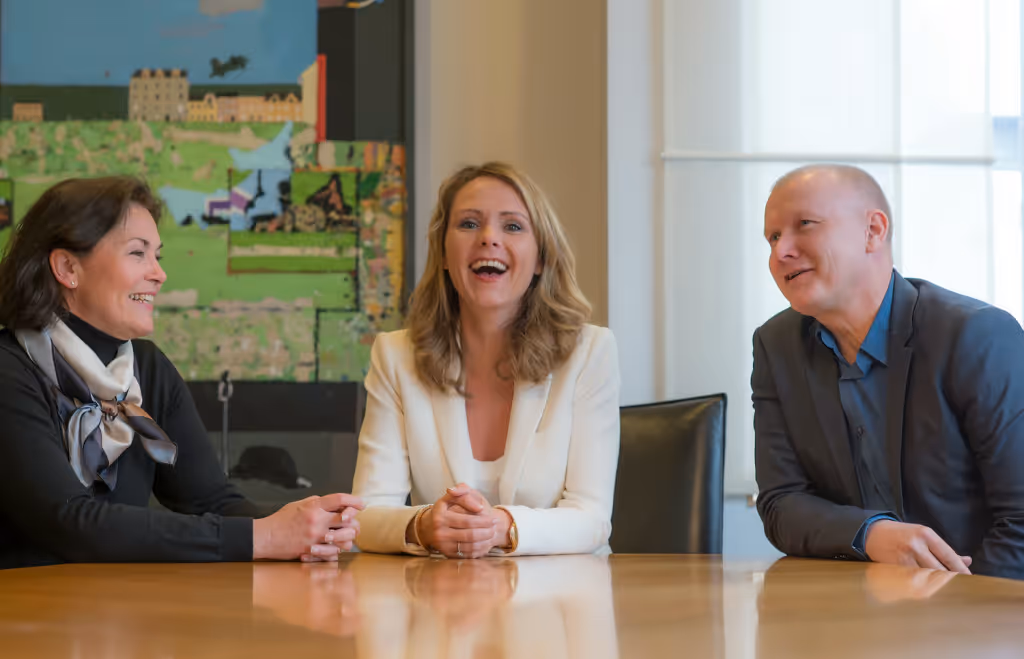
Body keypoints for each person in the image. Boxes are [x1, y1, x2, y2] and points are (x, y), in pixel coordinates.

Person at [0, 176, 362, 569]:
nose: (158, 274)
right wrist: (265, 536)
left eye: (158, 256)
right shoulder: (9, 369)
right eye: (138, 253)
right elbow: (71, 523)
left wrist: (310, 526)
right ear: (68, 267)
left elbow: (210, 501)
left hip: (114, 615)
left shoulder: (149, 369)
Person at [753, 164, 1024, 579]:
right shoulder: (776, 345)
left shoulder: (976, 335)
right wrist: (871, 533)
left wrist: (959, 619)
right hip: (851, 613)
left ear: (873, 231)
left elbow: (1020, 522)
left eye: (804, 224)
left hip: (977, 617)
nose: (780, 252)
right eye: (772, 237)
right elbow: (781, 504)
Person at [352, 162, 620, 558]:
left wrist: (500, 527)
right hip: (440, 602)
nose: (489, 239)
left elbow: (592, 516)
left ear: (541, 258)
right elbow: (367, 516)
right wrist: (422, 526)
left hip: (562, 604)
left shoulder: (590, 352)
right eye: (469, 224)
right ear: (443, 253)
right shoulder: (396, 357)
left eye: (513, 226)